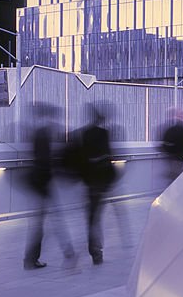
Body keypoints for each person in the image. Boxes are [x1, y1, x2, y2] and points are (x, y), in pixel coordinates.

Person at [23, 104, 72, 269]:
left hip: (40, 182)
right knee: (48, 221)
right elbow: (45, 160)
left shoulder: (39, 132)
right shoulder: (43, 134)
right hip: (43, 183)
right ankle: (66, 253)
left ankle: (32, 258)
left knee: (42, 221)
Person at [79, 105, 117, 265]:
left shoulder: (84, 133)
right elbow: (108, 155)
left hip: (89, 181)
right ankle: (96, 251)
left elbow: (81, 157)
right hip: (101, 180)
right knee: (95, 216)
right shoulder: (104, 134)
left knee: (92, 217)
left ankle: (95, 250)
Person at [159, 108, 183, 182]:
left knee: (175, 177)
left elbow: (165, 144)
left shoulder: (170, 129)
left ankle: (172, 189)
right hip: (181, 158)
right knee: (179, 178)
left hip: (173, 158)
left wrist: (169, 153)